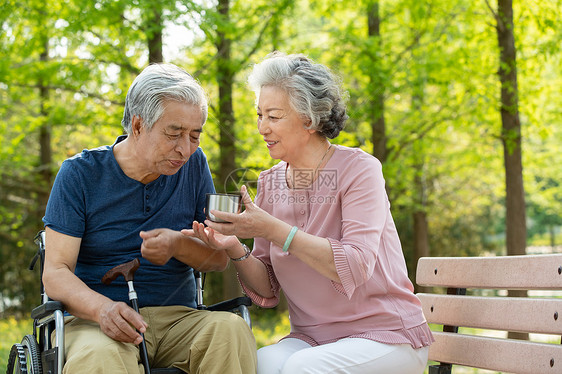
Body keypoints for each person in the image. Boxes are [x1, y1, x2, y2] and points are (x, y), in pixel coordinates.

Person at [184, 52, 434, 374]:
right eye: (259, 115)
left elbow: (355, 265)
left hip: (386, 337)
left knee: (303, 369)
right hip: (313, 339)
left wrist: (272, 229)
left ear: (309, 119)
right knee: (254, 364)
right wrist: (233, 246)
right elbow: (268, 287)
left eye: (273, 117)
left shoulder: (359, 171)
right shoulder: (270, 182)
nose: (262, 127)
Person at [42, 63, 257, 374]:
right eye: (174, 133)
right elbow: (56, 273)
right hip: (96, 322)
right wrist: (103, 310)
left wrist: (177, 245)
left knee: (230, 331)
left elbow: (217, 260)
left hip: (177, 318)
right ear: (139, 126)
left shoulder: (195, 165)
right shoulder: (79, 174)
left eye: (194, 135)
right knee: (100, 357)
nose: (185, 148)